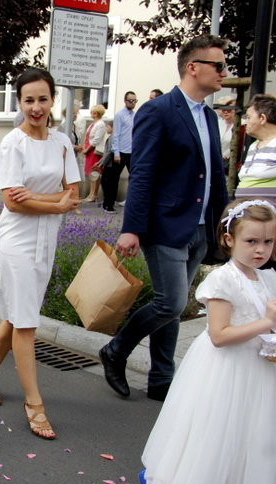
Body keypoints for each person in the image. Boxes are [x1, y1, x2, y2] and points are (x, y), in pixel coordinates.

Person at [100, 35, 230, 401]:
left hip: (200, 227)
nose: (224, 72)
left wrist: (223, 224)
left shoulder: (209, 116)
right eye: (218, 65)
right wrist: (131, 229)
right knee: (171, 303)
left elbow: (215, 175)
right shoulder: (158, 110)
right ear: (193, 67)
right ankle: (115, 350)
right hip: (166, 225)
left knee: (172, 309)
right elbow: (142, 172)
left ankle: (160, 379)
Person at [139, 199, 276, 484]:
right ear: (229, 239)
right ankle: (154, 479)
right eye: (251, 241)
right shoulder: (222, 281)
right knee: (208, 432)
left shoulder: (267, 278)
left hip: (257, 370)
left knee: (245, 438)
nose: (261, 249)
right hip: (224, 369)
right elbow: (219, 335)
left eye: (268, 241)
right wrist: (267, 323)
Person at [0, 67, 81, 440]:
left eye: (42, 99)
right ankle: (34, 404)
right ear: (19, 102)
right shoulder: (12, 144)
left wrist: (36, 196)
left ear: (53, 101)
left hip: (45, 239)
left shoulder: (62, 142)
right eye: (28, 100)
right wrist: (54, 202)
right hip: (16, 240)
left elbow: (74, 194)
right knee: (26, 322)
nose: (36, 107)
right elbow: (12, 203)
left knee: (20, 312)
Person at [101, 91, 137, 213]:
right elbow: (115, 134)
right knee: (113, 179)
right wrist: (116, 153)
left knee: (136, 177)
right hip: (120, 152)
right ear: (125, 101)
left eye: (134, 101)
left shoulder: (135, 115)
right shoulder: (120, 115)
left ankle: (132, 202)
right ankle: (108, 205)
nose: (132, 103)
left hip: (131, 152)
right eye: (130, 100)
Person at [235, 94, 276, 197]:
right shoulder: (254, 146)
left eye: (248, 117)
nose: (245, 122)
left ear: (262, 118)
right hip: (246, 204)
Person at [81, 105, 107, 202]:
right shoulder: (93, 124)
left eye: (94, 112)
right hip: (89, 150)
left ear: (98, 113)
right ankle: (91, 194)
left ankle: (94, 195)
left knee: (95, 172)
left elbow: (96, 140)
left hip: (94, 151)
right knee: (90, 172)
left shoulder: (101, 124)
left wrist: (87, 149)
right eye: (92, 112)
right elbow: (88, 137)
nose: (92, 114)